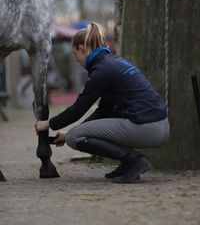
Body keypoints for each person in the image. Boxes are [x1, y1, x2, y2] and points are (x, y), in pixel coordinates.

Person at [35, 22, 170, 184]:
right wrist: (73, 132)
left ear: (82, 48)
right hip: (159, 126)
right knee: (75, 134)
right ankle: (128, 163)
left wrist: (48, 124)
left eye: (75, 54)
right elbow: (104, 111)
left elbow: (78, 109)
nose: (76, 60)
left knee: (74, 138)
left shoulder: (101, 71)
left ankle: (133, 160)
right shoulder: (113, 62)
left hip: (147, 127)